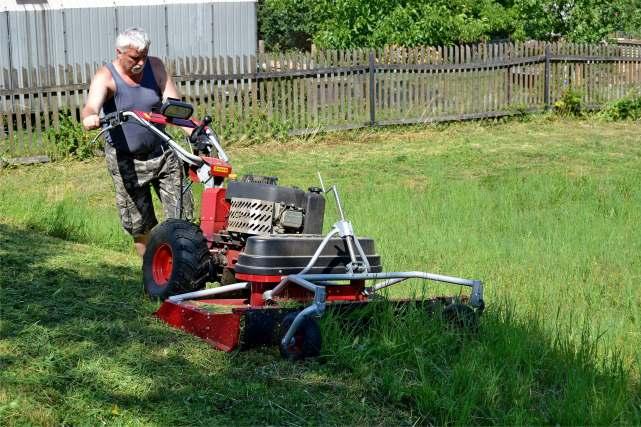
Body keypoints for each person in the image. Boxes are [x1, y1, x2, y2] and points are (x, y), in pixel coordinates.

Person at [81, 27, 193, 257]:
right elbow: (91, 106)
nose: (140, 63)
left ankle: (183, 267)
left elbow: (175, 108)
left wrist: (193, 131)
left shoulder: (157, 67)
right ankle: (151, 271)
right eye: (134, 58)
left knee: (182, 216)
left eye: (144, 55)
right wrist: (90, 117)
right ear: (119, 52)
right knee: (139, 224)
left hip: (162, 154)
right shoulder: (106, 76)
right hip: (126, 160)